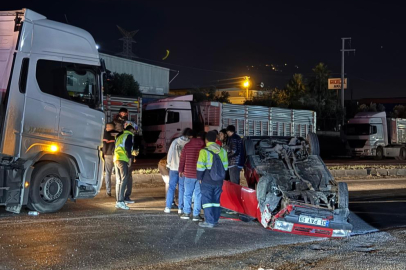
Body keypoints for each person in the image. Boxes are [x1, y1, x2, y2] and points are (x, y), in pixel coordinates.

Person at [197, 131, 228, 228]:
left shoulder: (204, 151)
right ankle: (215, 220)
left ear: (206, 140)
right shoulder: (223, 151)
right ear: (216, 139)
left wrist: (199, 178)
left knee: (207, 201)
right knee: (216, 200)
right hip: (219, 180)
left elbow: (200, 167)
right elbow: (226, 167)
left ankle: (209, 221)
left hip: (207, 179)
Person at [164, 128, 194, 214]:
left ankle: (168, 207)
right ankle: (180, 208)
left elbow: (169, 154)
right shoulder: (189, 143)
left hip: (173, 168)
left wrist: (169, 164)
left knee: (171, 187)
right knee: (182, 188)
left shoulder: (175, 142)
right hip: (183, 169)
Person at [178, 131, 205, 221]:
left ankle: (186, 213)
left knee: (187, 194)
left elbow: (182, 159)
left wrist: (180, 170)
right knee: (198, 194)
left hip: (188, 173)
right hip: (199, 174)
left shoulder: (187, 146)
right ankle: (196, 215)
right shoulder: (204, 146)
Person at [114, 121, 137, 210]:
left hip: (116, 158)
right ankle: (120, 201)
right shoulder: (129, 135)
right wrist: (130, 158)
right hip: (123, 159)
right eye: (134, 130)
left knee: (119, 180)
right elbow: (127, 148)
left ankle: (118, 200)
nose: (134, 132)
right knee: (124, 179)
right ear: (131, 129)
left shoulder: (119, 136)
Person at [102, 123, 116, 197]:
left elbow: (104, 144)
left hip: (108, 155)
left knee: (108, 173)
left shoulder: (106, 134)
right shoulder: (116, 134)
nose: (106, 128)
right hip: (116, 155)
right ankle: (119, 191)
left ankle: (108, 191)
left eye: (106, 127)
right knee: (118, 174)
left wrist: (103, 153)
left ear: (108, 128)